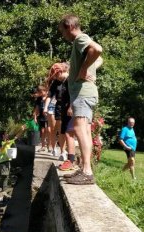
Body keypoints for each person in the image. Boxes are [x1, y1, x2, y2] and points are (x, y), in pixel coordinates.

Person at [59, 14, 103, 184]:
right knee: (83, 130)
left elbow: (98, 50)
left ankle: (86, 171)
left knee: (79, 129)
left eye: (62, 31)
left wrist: (84, 70)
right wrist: (87, 69)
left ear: (69, 27)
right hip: (86, 92)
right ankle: (85, 169)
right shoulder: (81, 43)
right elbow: (99, 59)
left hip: (83, 93)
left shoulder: (80, 39)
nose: (63, 36)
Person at [44, 63, 69, 158]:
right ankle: (60, 151)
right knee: (59, 129)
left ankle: (65, 151)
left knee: (66, 129)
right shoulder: (55, 82)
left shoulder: (69, 80)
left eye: (56, 75)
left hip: (69, 105)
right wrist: (46, 107)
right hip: (59, 106)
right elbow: (49, 96)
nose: (55, 77)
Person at [33, 85, 49, 152]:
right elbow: (36, 108)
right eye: (40, 92)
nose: (41, 94)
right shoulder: (39, 99)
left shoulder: (49, 97)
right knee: (42, 131)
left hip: (49, 116)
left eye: (42, 92)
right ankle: (43, 146)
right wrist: (35, 117)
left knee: (49, 130)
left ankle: (50, 145)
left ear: (45, 91)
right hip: (42, 116)